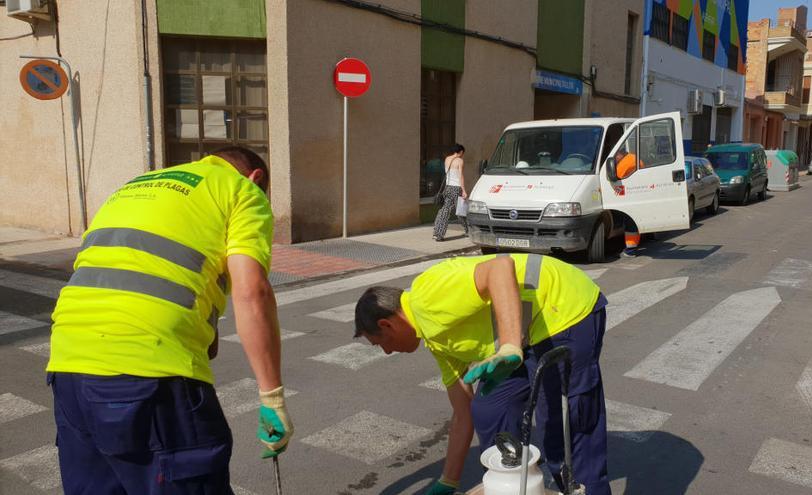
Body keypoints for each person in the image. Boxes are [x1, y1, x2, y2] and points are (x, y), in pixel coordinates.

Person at [47, 146, 293, 494]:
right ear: (256, 178)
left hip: (68, 371)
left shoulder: (135, 185)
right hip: (150, 375)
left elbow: (143, 269)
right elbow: (252, 293)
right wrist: (273, 399)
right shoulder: (240, 190)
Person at [354, 254, 610, 495]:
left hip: (563, 309)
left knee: (564, 432)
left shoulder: (427, 297)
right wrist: (448, 481)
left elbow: (500, 268)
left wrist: (509, 346)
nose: (387, 352)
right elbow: (463, 413)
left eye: (380, 343)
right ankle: (512, 480)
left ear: (386, 324)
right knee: (488, 408)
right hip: (524, 336)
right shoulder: (436, 341)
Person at [433, 144, 468, 241]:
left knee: (444, 211)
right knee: (461, 211)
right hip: (457, 188)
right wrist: (464, 190)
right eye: (462, 153)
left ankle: (438, 233)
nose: (462, 155)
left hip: (447, 188)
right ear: (460, 152)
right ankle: (469, 230)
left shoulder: (447, 159)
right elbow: (460, 176)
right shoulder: (460, 161)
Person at [613, 149, 643, 257]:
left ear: (619, 155)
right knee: (633, 223)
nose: (615, 160)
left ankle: (630, 251)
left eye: (615, 157)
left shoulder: (625, 163)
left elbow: (615, 179)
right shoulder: (633, 157)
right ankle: (631, 248)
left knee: (631, 224)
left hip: (631, 196)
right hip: (638, 193)